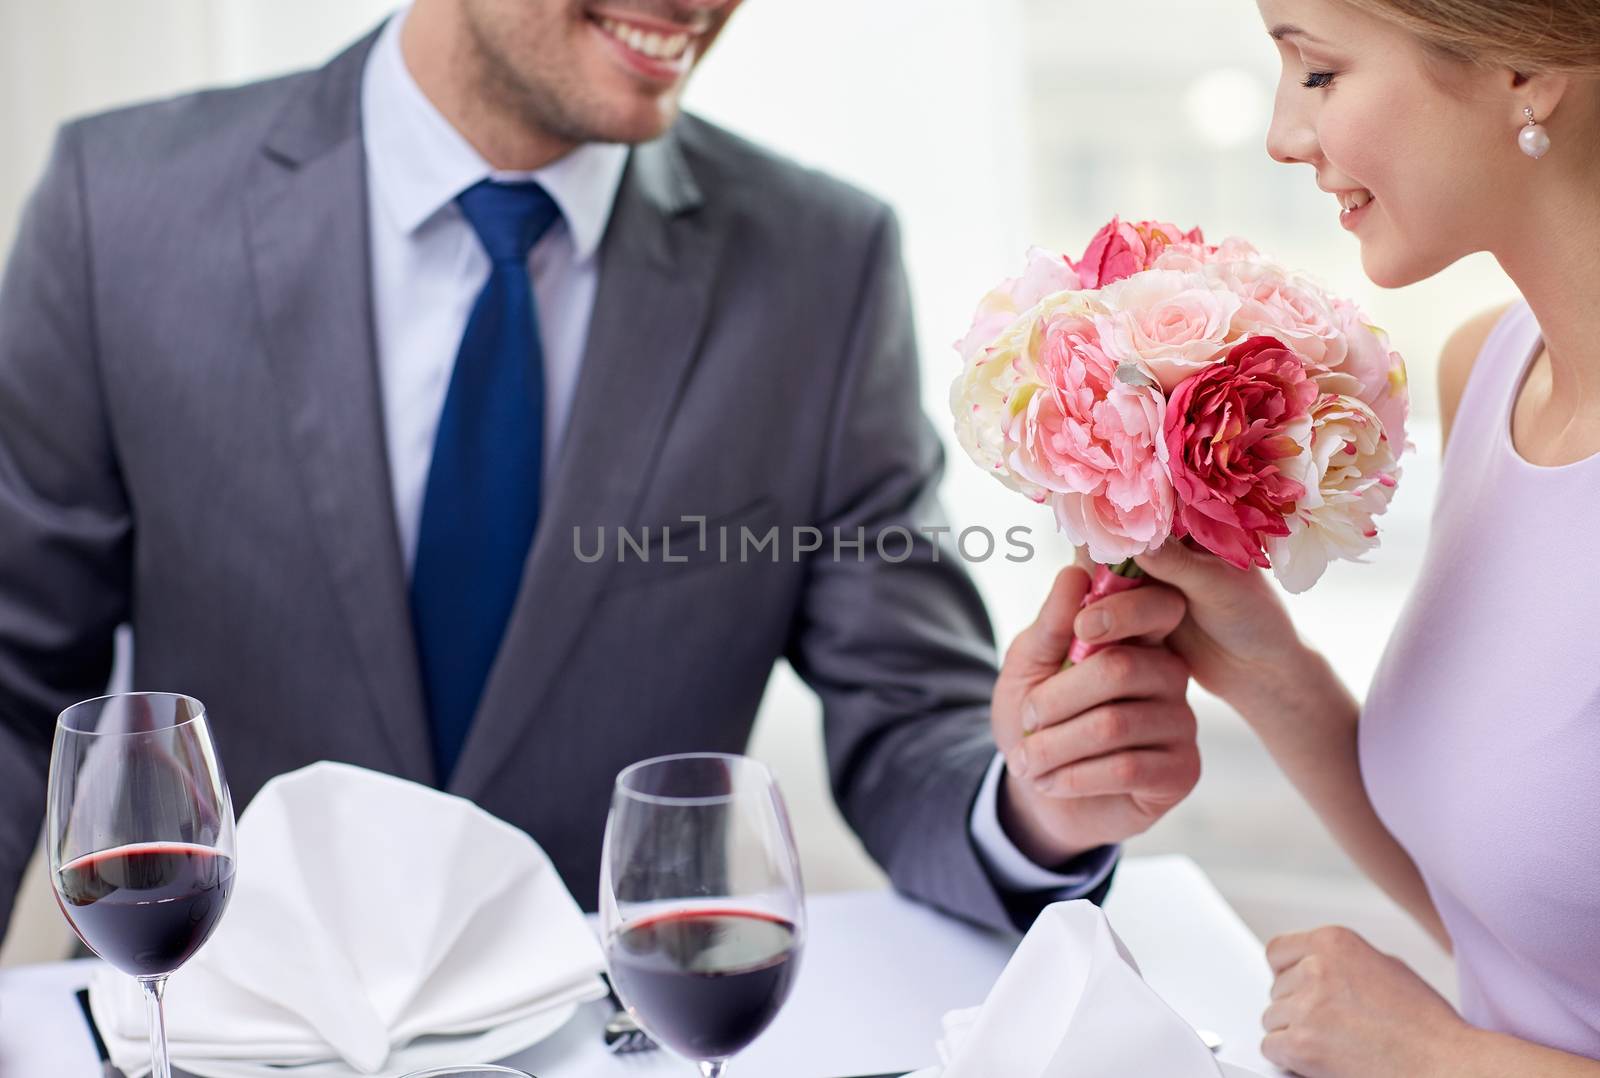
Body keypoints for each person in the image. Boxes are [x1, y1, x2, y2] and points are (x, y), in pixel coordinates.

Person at [0, 0, 1203, 942]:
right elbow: (13, 683)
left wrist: (1037, 803)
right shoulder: (122, 211)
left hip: (618, 1024)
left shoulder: (821, 271)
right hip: (210, 1013)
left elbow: (909, 718)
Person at [1052, 0, 1600, 1073]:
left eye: (1316, 72)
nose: (1282, 134)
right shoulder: (1491, 373)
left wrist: (1434, 1055)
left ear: (1522, 75)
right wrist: (1261, 665)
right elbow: (1537, 924)